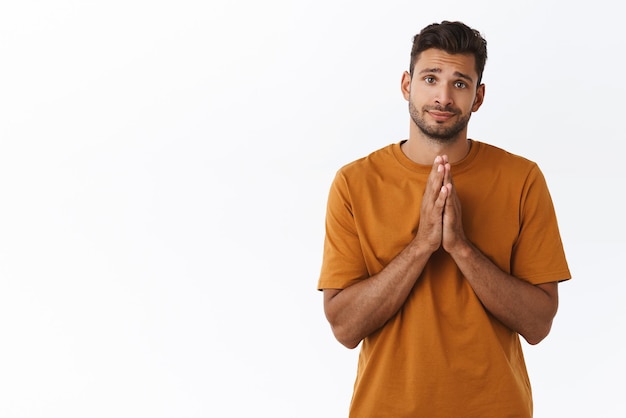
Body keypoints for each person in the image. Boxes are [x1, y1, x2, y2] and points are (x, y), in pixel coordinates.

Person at [317, 20, 571, 417]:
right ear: (406, 85)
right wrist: (421, 246)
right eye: (431, 78)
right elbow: (345, 328)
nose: (443, 97)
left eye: (459, 83)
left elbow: (539, 325)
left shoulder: (522, 179)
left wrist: (460, 248)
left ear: (478, 96)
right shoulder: (354, 182)